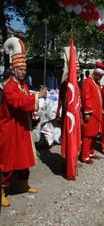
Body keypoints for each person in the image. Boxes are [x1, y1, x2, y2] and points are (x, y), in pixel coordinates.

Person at [0, 37, 47, 207]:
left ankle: (23, 184)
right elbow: (19, 103)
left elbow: (26, 99)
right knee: (8, 161)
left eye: (24, 69)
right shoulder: (9, 87)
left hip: (22, 128)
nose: (23, 72)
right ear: (12, 70)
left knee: (24, 158)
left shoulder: (23, 85)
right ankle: (2, 190)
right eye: (20, 69)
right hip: (10, 129)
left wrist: (34, 111)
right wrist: (37, 96)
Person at [80, 61, 104, 164]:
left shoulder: (96, 83)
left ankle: (91, 152)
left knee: (94, 134)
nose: (99, 78)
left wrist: (101, 110)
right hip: (90, 113)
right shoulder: (88, 82)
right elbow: (86, 98)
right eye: (99, 76)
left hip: (96, 113)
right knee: (88, 135)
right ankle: (84, 155)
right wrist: (87, 112)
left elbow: (99, 98)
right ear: (95, 74)